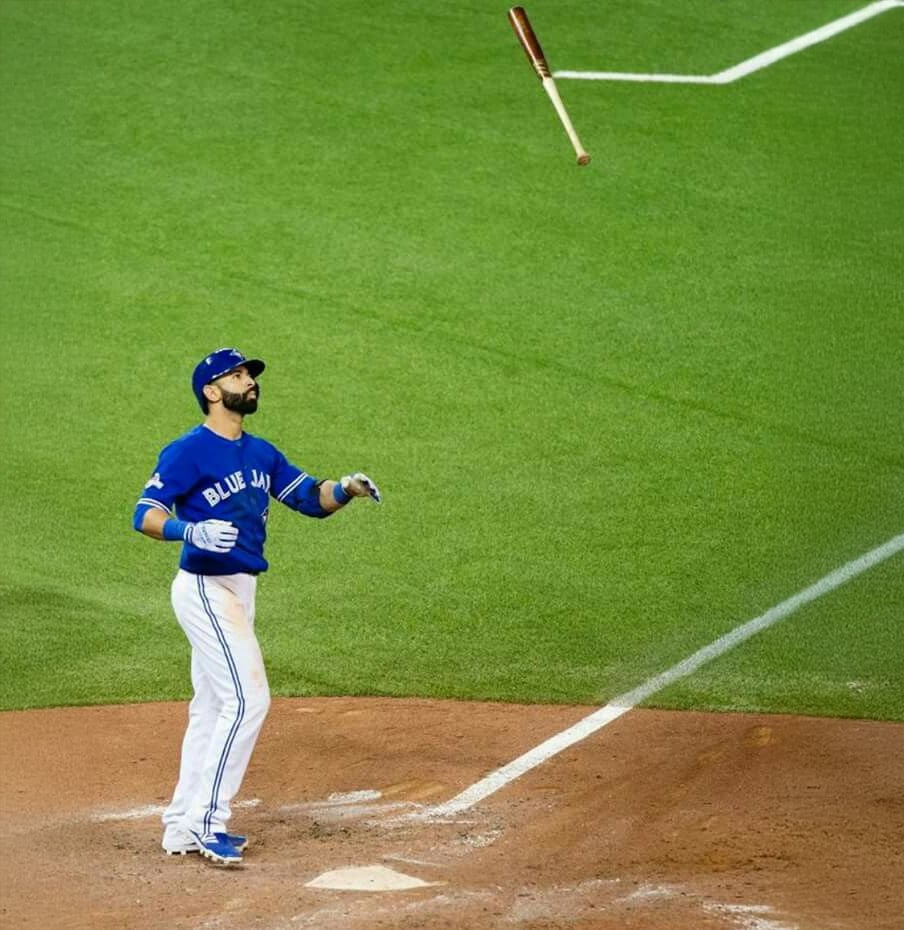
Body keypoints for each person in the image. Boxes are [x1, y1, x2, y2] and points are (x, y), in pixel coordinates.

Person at [132, 347, 380, 866]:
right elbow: (145, 514)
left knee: (212, 706)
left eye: (249, 376)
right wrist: (189, 528)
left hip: (242, 590)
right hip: (204, 588)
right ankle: (207, 822)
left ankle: (181, 824)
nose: (250, 383)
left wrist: (348, 489)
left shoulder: (260, 452)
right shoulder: (188, 451)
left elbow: (311, 498)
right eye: (239, 376)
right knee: (247, 700)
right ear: (211, 391)